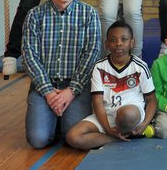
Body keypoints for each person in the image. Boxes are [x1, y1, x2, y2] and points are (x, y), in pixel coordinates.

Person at [21, 0, 101, 149]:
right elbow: (29, 56)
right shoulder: (34, 15)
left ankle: (60, 120)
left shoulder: (89, 14)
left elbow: (92, 54)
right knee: (38, 139)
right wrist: (48, 92)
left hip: (76, 87)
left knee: (73, 137)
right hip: (44, 86)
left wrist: (71, 90)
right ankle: (52, 117)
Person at [66, 21, 157, 150]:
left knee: (126, 114)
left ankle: (131, 131)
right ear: (106, 44)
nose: (118, 43)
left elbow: (151, 100)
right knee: (73, 137)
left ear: (132, 43)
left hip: (131, 115)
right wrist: (108, 129)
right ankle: (119, 138)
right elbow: (97, 102)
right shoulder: (99, 67)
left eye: (124, 39)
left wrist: (145, 123)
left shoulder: (140, 66)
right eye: (113, 40)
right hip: (107, 116)